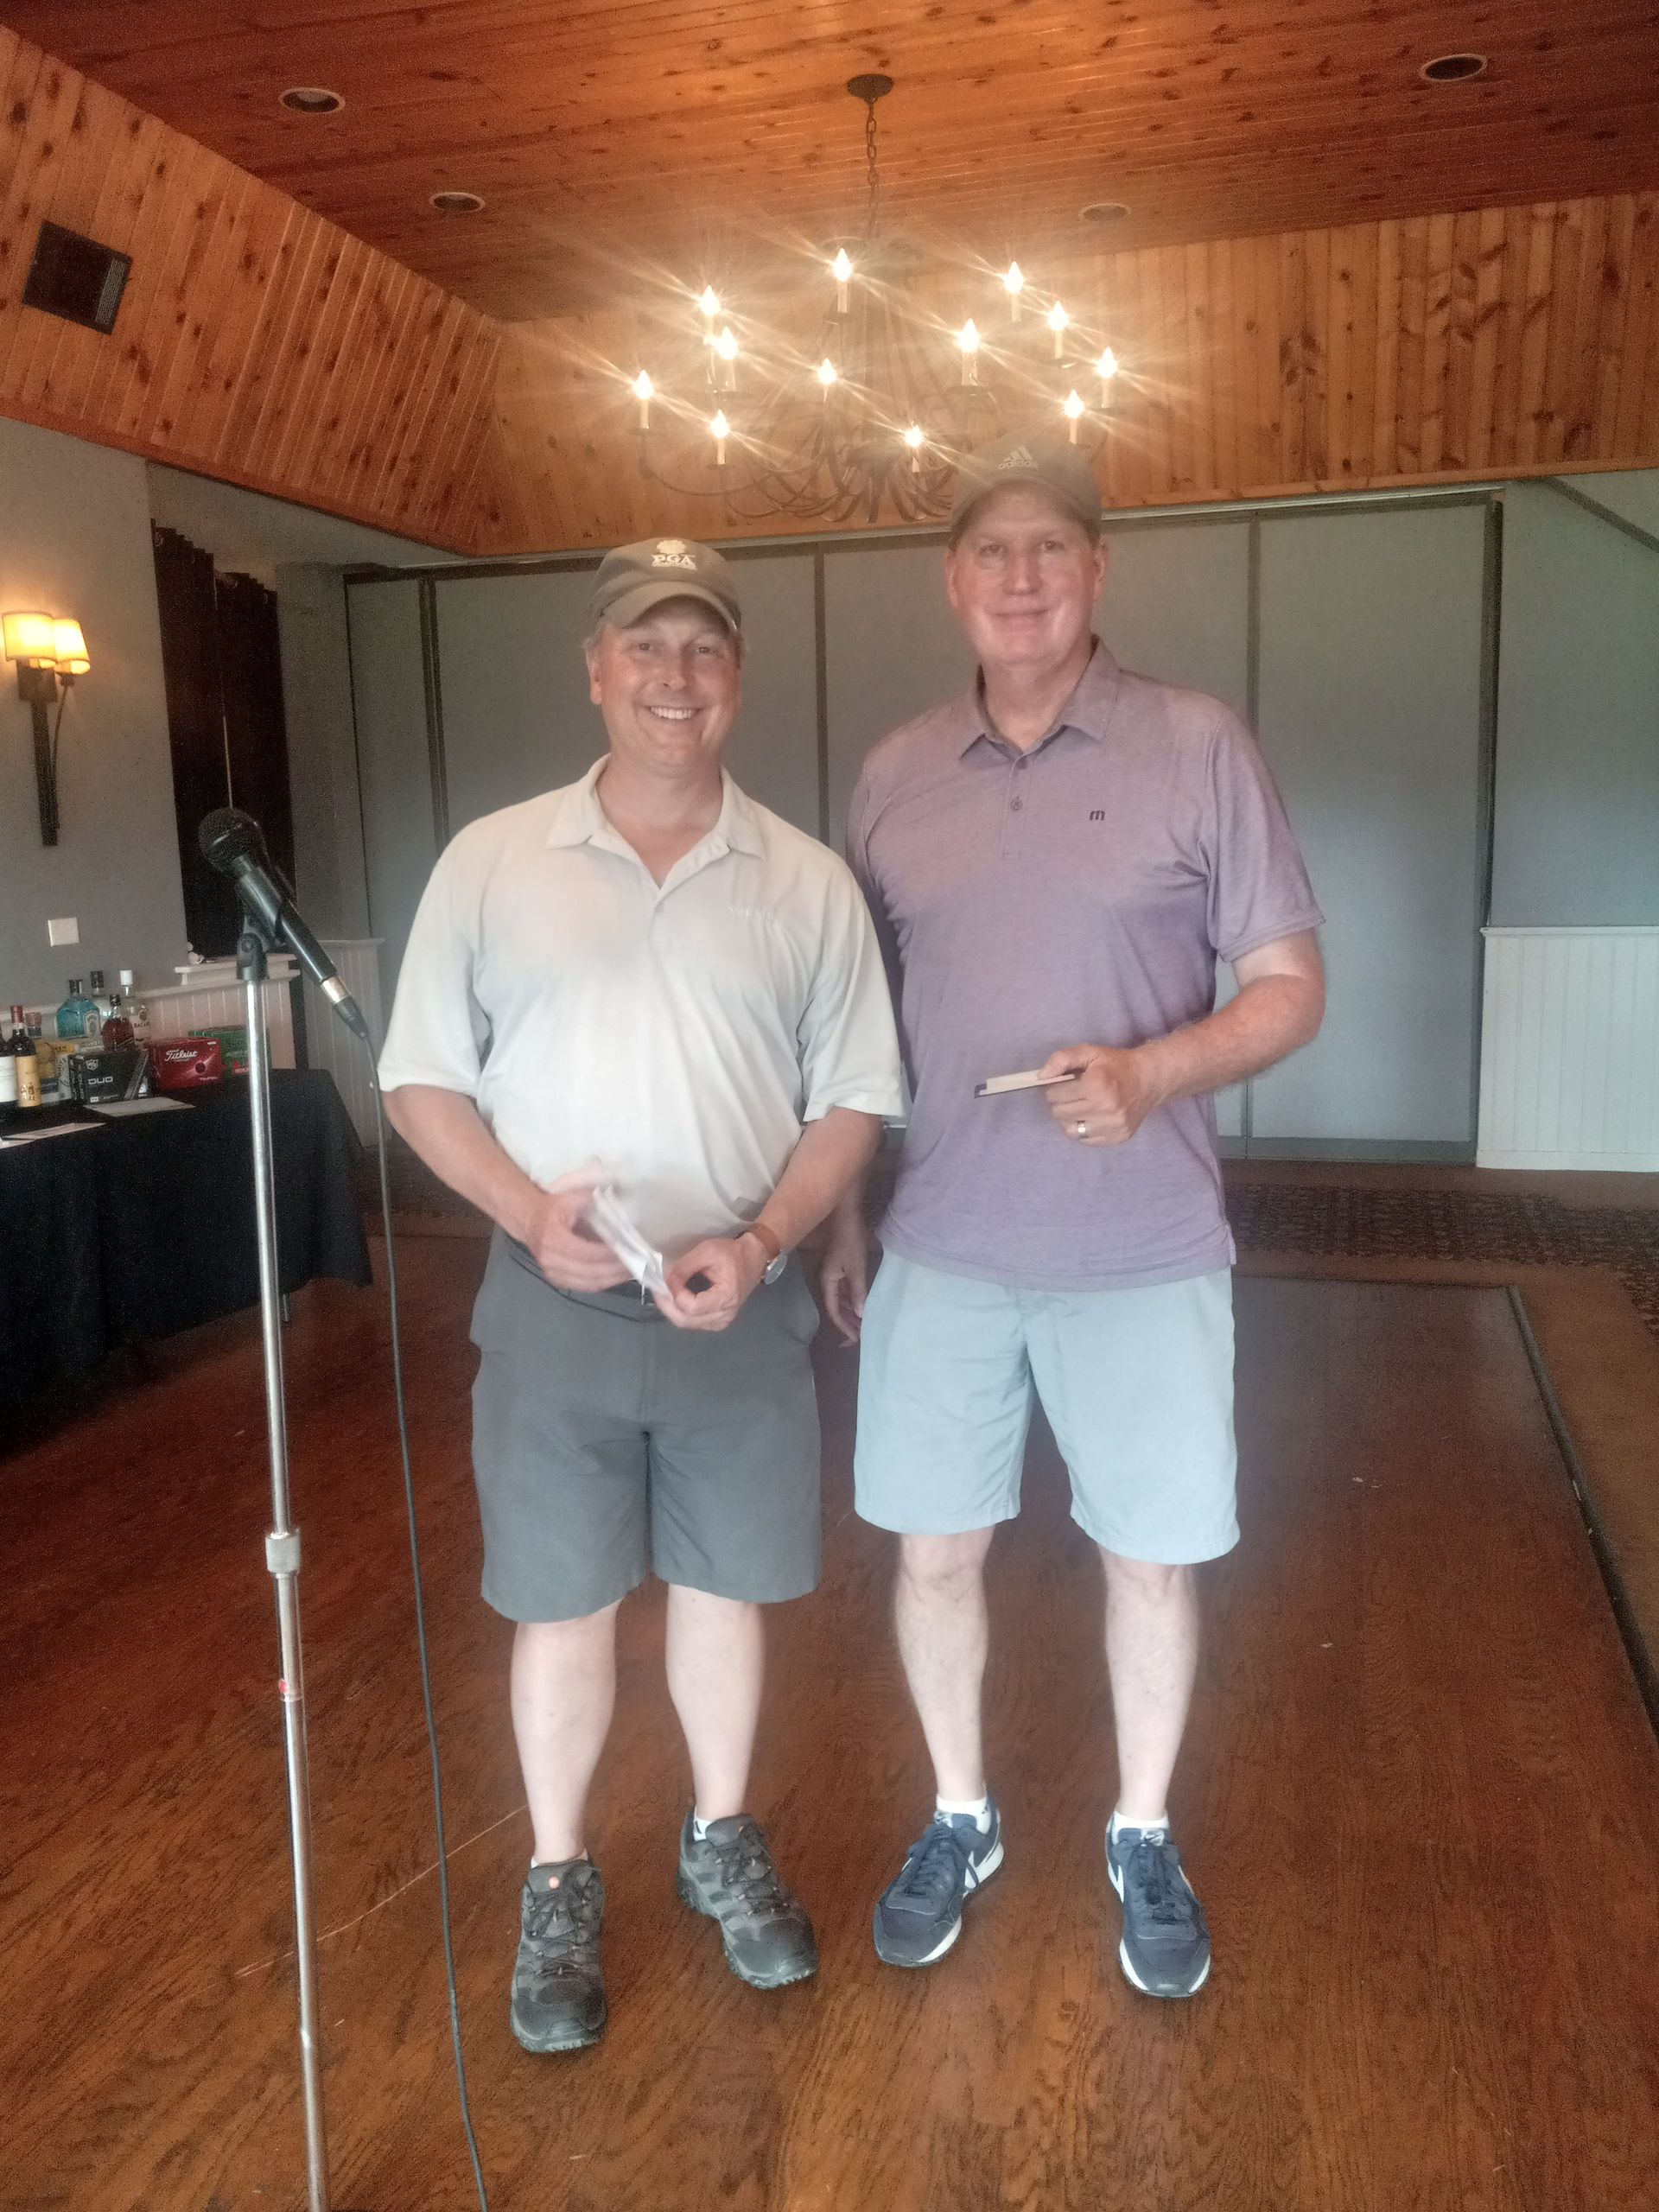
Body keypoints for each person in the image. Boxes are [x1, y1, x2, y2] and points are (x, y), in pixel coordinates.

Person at [379, 537, 904, 2052]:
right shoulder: (492, 860)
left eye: (704, 651)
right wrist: (523, 1212)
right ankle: (559, 1876)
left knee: (727, 1592)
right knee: (561, 1607)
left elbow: (854, 1100)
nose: (676, 678)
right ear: (596, 669)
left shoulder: (802, 880)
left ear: (735, 678)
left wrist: (769, 1238)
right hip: (550, 1310)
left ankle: (719, 1837)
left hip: (742, 1304)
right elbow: (420, 1081)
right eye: (646, 649)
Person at [822, 435, 1325, 1999]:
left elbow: (1292, 990)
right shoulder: (896, 771)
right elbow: (859, 1030)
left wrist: (1158, 1070)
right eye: (993, 554)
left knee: (1153, 1562)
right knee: (934, 1554)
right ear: (952, 582)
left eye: (1052, 550)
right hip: (942, 1248)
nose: (1022, 578)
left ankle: (1141, 1831)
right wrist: (842, 1215)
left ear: (1098, 571)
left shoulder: (1194, 742)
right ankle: (960, 1814)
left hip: (1143, 1250)